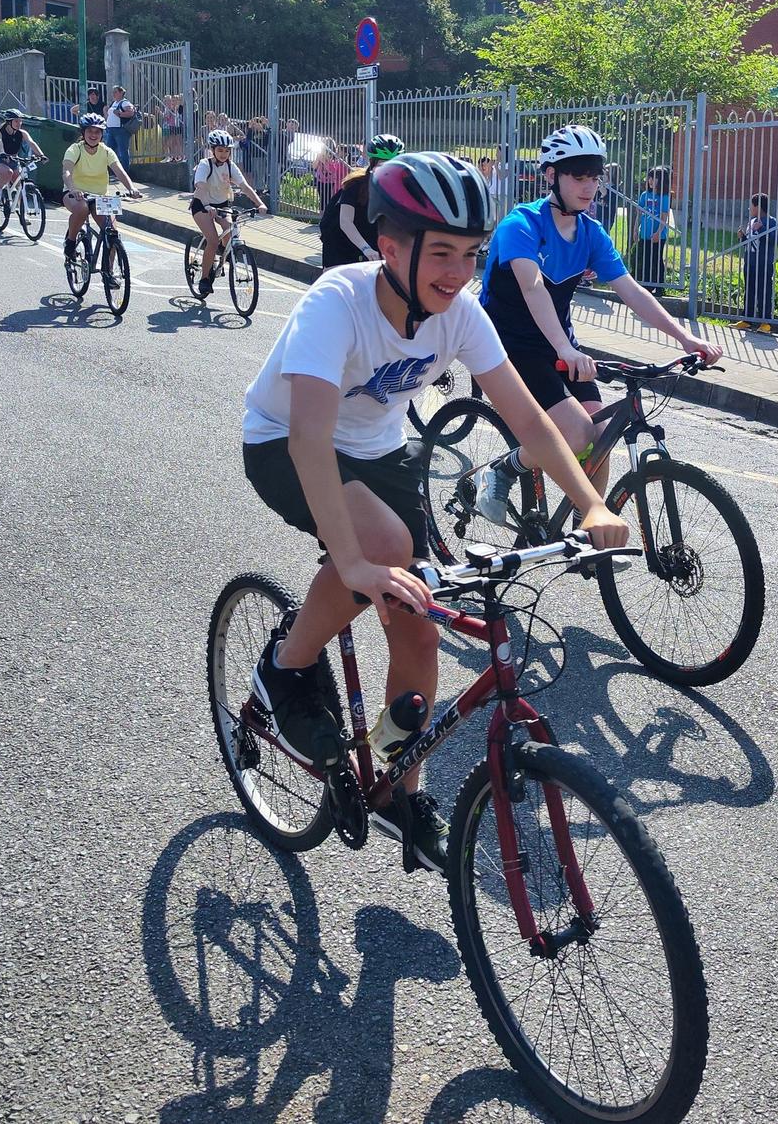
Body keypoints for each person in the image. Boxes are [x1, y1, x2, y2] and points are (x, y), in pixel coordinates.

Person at [241, 151, 629, 872]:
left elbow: (532, 420)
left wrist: (593, 504)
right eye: (441, 253)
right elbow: (308, 437)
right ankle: (284, 666)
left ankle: (395, 786)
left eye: (471, 254)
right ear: (390, 249)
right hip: (283, 443)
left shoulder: (459, 315)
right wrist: (354, 561)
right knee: (382, 548)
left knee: (419, 631)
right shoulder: (338, 302)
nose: (458, 271)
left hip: (380, 455)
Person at [472, 126, 721, 523]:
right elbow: (533, 288)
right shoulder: (522, 224)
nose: (589, 187)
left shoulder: (591, 232)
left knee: (600, 434)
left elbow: (633, 292)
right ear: (551, 175)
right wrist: (567, 349)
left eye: (594, 177)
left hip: (558, 345)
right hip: (508, 346)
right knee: (574, 433)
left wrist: (686, 337)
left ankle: (588, 530)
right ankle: (502, 470)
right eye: (578, 176)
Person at [60, 114, 142, 277]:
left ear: (102, 134)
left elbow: (119, 171)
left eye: (97, 132)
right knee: (82, 209)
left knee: (111, 232)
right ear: (83, 133)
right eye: (90, 131)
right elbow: (67, 171)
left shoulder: (106, 151)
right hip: (75, 194)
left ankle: (109, 272)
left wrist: (132, 188)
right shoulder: (75, 149)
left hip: (100, 197)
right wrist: (73, 188)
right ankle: (70, 242)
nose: (93, 135)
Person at [190, 128, 267, 290]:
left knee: (230, 233)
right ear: (212, 150)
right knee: (212, 240)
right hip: (202, 205)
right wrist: (206, 206)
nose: (224, 154)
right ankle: (204, 279)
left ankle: (222, 258)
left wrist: (260, 203)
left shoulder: (230, 167)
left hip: (222, 205)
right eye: (220, 150)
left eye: (227, 151)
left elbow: (245, 187)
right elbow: (201, 188)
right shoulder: (205, 165)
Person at [319, 133, 405, 268]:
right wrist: (366, 249)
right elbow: (345, 221)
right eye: (382, 164)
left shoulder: (398, 188)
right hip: (340, 241)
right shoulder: (355, 184)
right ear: (372, 163)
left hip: (370, 238)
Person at [737, 193, 778, 323]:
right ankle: (747, 319)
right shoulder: (751, 222)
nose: (750, 208)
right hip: (750, 263)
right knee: (749, 291)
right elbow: (751, 242)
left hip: (763, 264)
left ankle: (765, 322)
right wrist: (743, 237)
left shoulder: (771, 222)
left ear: (758, 207)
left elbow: (777, 240)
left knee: (764, 292)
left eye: (752, 206)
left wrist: (761, 230)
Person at [631, 165, 674, 288]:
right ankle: (645, 284)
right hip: (644, 233)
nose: (649, 180)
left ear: (662, 180)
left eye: (654, 178)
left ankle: (659, 285)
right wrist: (635, 230)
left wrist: (658, 233)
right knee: (645, 259)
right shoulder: (644, 195)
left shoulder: (664, 196)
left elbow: (664, 216)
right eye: (649, 177)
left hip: (658, 236)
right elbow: (639, 214)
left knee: (656, 260)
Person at [0, 106, 46, 191]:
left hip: (14, 161)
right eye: (16, 121)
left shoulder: (22, 133)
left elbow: (31, 143)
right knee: (8, 172)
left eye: (20, 121)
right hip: (0, 161)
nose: (19, 123)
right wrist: (2, 153)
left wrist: (41, 155)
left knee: (20, 187)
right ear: (9, 122)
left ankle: (19, 203)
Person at [313, 137, 349, 213]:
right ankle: (322, 217)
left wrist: (325, 161)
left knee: (328, 200)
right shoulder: (319, 154)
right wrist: (318, 158)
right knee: (322, 200)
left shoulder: (334, 156)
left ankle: (326, 217)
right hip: (320, 180)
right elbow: (314, 166)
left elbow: (332, 170)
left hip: (330, 181)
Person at [158, 93, 184, 163]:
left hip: (177, 126)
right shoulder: (169, 108)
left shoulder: (178, 108)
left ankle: (180, 156)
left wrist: (161, 113)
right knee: (170, 142)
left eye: (175, 100)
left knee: (178, 142)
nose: (173, 102)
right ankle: (172, 156)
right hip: (170, 127)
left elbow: (168, 116)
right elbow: (167, 117)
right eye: (172, 100)